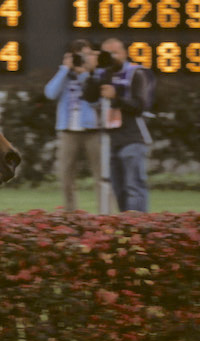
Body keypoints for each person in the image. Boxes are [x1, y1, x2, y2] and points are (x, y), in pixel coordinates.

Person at [84, 38, 152, 212]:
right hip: (110, 139)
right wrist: (91, 72)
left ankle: (139, 226)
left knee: (133, 185)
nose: (112, 57)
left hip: (132, 137)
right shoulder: (103, 74)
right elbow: (90, 97)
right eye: (107, 53)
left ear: (124, 53)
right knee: (118, 188)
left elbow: (139, 106)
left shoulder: (136, 73)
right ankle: (125, 225)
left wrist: (116, 97)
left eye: (115, 52)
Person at [44, 39, 102, 211]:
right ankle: (70, 214)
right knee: (66, 176)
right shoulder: (64, 76)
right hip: (68, 131)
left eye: (86, 55)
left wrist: (84, 73)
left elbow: (95, 100)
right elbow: (50, 93)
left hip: (92, 130)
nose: (82, 59)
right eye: (78, 56)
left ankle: (105, 214)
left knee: (101, 175)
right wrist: (65, 69)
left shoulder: (96, 75)